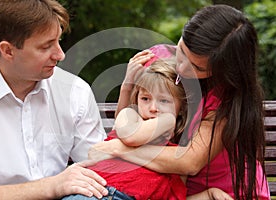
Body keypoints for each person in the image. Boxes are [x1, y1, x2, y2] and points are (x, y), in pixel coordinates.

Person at [88, 4, 270, 199]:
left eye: (196, 67)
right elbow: (129, 121)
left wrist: (120, 149)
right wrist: (127, 85)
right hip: (166, 188)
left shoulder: (224, 95)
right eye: (182, 51)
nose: (181, 67)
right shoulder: (158, 58)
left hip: (225, 192)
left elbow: (190, 162)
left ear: (223, 70)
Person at [0, 0, 109, 199]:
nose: (60, 54)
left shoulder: (75, 91)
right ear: (8, 50)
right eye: (46, 46)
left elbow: (99, 174)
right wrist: (53, 186)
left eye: (58, 41)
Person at [64, 46, 233, 200]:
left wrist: (208, 195)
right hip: (98, 193)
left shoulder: (175, 156)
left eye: (164, 101)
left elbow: (174, 196)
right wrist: (166, 120)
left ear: (181, 107)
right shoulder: (130, 117)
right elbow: (131, 137)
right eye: (145, 99)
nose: (153, 108)